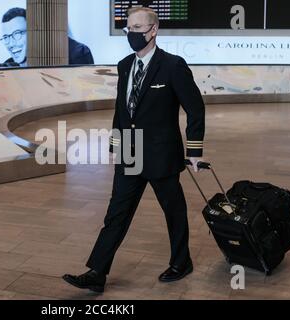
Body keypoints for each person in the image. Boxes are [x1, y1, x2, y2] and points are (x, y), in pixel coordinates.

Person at [63, 7, 206, 293]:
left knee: (173, 211)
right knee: (116, 214)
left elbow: (195, 108)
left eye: (139, 28)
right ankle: (97, 272)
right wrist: (116, 145)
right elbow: (121, 110)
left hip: (162, 154)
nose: (133, 34)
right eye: (129, 29)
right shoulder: (125, 65)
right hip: (131, 153)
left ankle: (182, 261)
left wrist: (194, 150)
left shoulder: (173, 66)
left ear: (153, 30)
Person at [1, 8, 94, 66]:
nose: (11, 44)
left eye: (17, 34)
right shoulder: (8, 66)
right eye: (6, 37)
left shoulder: (77, 52)